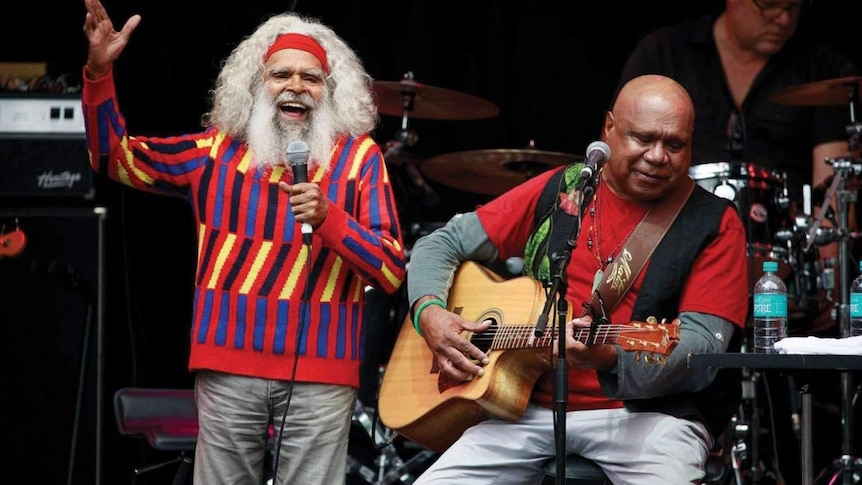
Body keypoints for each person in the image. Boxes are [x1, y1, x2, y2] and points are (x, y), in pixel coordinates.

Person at [81, 0, 407, 483]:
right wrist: (99, 72)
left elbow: (390, 269)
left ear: (330, 92)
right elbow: (114, 158)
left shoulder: (360, 159)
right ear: (257, 85)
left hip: (323, 373)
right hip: (228, 367)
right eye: (281, 75)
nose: (296, 86)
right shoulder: (214, 152)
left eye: (311, 78)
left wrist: (330, 219)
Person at [406, 74, 749, 484]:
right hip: (523, 410)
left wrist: (607, 357)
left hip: (649, 419)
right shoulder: (564, 189)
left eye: (674, 145)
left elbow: (699, 350)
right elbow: (439, 244)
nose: (658, 156)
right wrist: (430, 315)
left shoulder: (713, 223)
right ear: (609, 129)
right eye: (642, 139)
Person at [615, 0, 856, 333]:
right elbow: (617, 158)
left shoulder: (818, 65)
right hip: (668, 247)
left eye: (794, 7)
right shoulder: (665, 52)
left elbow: (832, 184)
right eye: (769, 5)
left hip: (781, 271)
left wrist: (831, 281)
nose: (783, 18)